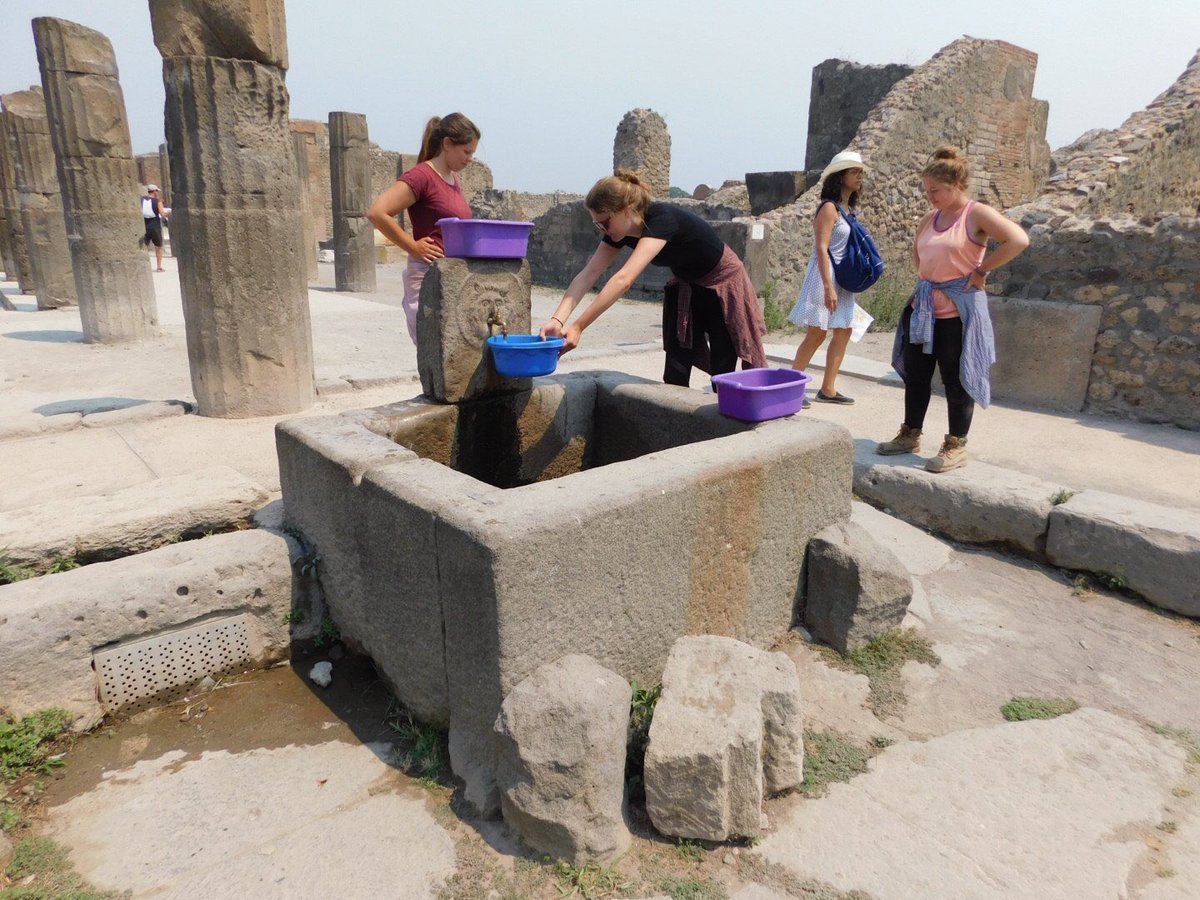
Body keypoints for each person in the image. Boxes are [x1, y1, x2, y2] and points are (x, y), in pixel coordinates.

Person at [875, 146, 1029, 472]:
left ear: (956, 183)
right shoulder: (931, 217)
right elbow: (919, 254)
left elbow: (1018, 240)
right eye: (927, 190)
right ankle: (910, 434)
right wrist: (927, 282)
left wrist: (981, 270)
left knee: (956, 378)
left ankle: (955, 445)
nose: (930, 196)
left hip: (958, 312)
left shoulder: (976, 214)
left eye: (936, 190)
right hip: (925, 307)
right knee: (916, 375)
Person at [539, 169, 766, 386]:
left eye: (604, 222)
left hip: (721, 283)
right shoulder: (620, 231)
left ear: (626, 210)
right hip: (687, 284)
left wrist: (578, 326)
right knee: (676, 367)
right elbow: (588, 274)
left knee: (722, 370)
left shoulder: (661, 219)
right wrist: (557, 320)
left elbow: (624, 279)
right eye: (597, 224)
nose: (602, 230)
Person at [367, 113, 480, 344]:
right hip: (428, 276)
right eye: (466, 152)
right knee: (435, 353)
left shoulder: (452, 179)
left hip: (451, 276)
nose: (470, 159)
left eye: (473, 153)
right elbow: (377, 213)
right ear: (447, 144)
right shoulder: (421, 176)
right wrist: (413, 246)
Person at [788, 150, 869, 406]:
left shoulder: (847, 209)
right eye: (854, 171)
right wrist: (827, 287)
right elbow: (821, 248)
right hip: (825, 275)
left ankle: (829, 388)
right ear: (840, 176)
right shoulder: (829, 208)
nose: (860, 176)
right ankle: (791, 387)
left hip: (841, 277)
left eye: (860, 172)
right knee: (817, 332)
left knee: (844, 331)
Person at [139, 184, 169, 272]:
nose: (158, 193)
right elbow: (162, 214)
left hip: (144, 225)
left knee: (143, 246)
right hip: (155, 225)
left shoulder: (141, 200)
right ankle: (159, 266)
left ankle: (143, 267)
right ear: (154, 191)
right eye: (157, 191)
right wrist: (170, 214)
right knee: (158, 246)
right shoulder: (158, 201)